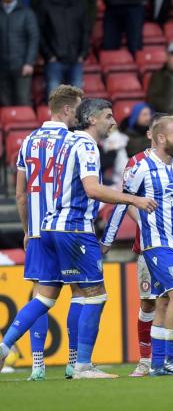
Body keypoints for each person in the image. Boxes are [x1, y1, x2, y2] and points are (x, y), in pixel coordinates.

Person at [0, 98, 157, 378]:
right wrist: (134, 199)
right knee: (95, 295)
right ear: (93, 119)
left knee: (45, 298)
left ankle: (4, 346)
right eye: (108, 116)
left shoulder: (68, 143)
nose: (113, 121)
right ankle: (82, 365)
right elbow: (93, 190)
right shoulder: (85, 146)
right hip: (74, 229)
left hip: (47, 227)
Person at [101, 115, 173, 376]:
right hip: (154, 245)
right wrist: (107, 240)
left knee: (163, 302)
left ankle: (158, 364)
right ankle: (171, 359)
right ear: (161, 138)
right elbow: (123, 201)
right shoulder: (141, 166)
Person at [12, 85, 84, 381]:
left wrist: (28, 230)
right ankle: (74, 363)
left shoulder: (27, 142)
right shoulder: (74, 141)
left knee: (40, 296)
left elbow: (20, 194)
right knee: (81, 295)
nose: (80, 115)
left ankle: (37, 366)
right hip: (68, 230)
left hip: (40, 232)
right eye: (78, 109)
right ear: (67, 110)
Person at [35, 0, 90, 96]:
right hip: (54, 61)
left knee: (76, 103)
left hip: (76, 60)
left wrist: (83, 54)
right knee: (55, 104)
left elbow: (85, 30)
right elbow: (38, 32)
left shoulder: (79, 3)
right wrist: (48, 55)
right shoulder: (45, 4)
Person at [0, 0, 38, 106]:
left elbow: (33, 39)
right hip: (2, 67)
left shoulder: (27, 12)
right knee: (4, 104)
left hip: (22, 66)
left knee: (23, 101)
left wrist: (29, 62)